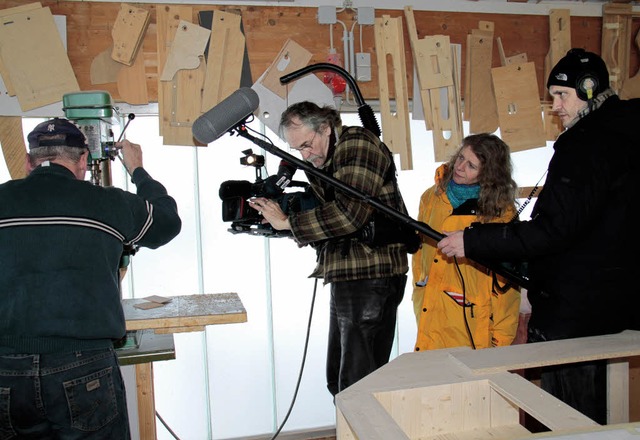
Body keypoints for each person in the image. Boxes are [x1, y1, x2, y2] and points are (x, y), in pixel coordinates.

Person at [437, 48, 640, 424]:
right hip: (615, 303)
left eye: (562, 95)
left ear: (590, 89)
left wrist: (471, 241)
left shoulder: (586, 144)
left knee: (568, 418)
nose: (556, 107)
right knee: (589, 415)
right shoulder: (624, 134)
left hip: (576, 311)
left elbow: (553, 231)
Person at [0, 118, 182, 438]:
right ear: (83, 160)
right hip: (83, 364)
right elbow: (167, 222)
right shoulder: (110, 202)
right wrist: (137, 170)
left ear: (29, 162)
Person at [249, 101, 411, 397]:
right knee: (339, 382)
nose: (305, 155)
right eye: (298, 150)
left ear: (325, 127)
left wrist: (289, 223)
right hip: (348, 274)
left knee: (359, 386)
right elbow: (333, 220)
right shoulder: (324, 158)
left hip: (371, 271)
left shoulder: (358, 144)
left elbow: (350, 214)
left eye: (307, 145)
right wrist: (282, 221)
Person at [412, 133, 521, 352]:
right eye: (460, 157)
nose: (460, 167)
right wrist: (421, 287)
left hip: (473, 321)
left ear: (489, 175)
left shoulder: (501, 213)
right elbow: (420, 254)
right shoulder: (431, 197)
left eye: (471, 165)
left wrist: (501, 339)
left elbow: (507, 283)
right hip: (429, 309)